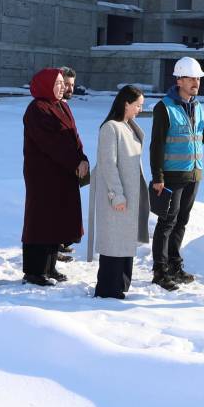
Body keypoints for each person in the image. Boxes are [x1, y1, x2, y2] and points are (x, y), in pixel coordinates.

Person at [148, 56, 204, 290]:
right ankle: (160, 271)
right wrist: (158, 177)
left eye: (198, 78)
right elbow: (156, 146)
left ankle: (175, 265)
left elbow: (200, 138)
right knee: (166, 223)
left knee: (181, 222)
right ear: (179, 80)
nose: (196, 82)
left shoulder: (197, 106)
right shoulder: (164, 107)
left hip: (193, 175)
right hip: (171, 176)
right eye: (191, 78)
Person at [22, 68, 88, 286]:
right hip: (43, 175)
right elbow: (52, 143)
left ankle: (49, 267)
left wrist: (82, 158)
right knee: (41, 220)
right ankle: (34, 271)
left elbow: (73, 137)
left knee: (56, 220)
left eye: (63, 83)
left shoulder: (61, 106)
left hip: (62, 173)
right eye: (58, 83)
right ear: (45, 85)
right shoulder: (37, 109)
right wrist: (74, 161)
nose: (63, 87)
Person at [87, 85, 149, 299]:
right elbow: (108, 164)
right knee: (114, 243)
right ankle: (108, 290)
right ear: (126, 103)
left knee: (124, 242)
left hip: (130, 196)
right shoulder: (111, 128)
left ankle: (121, 286)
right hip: (117, 196)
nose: (140, 109)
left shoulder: (129, 126)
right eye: (138, 105)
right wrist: (117, 194)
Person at [56, 65, 80, 262]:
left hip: (69, 167)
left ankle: (61, 242)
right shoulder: (47, 108)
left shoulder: (65, 105)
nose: (70, 88)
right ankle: (54, 246)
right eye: (66, 84)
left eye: (72, 84)